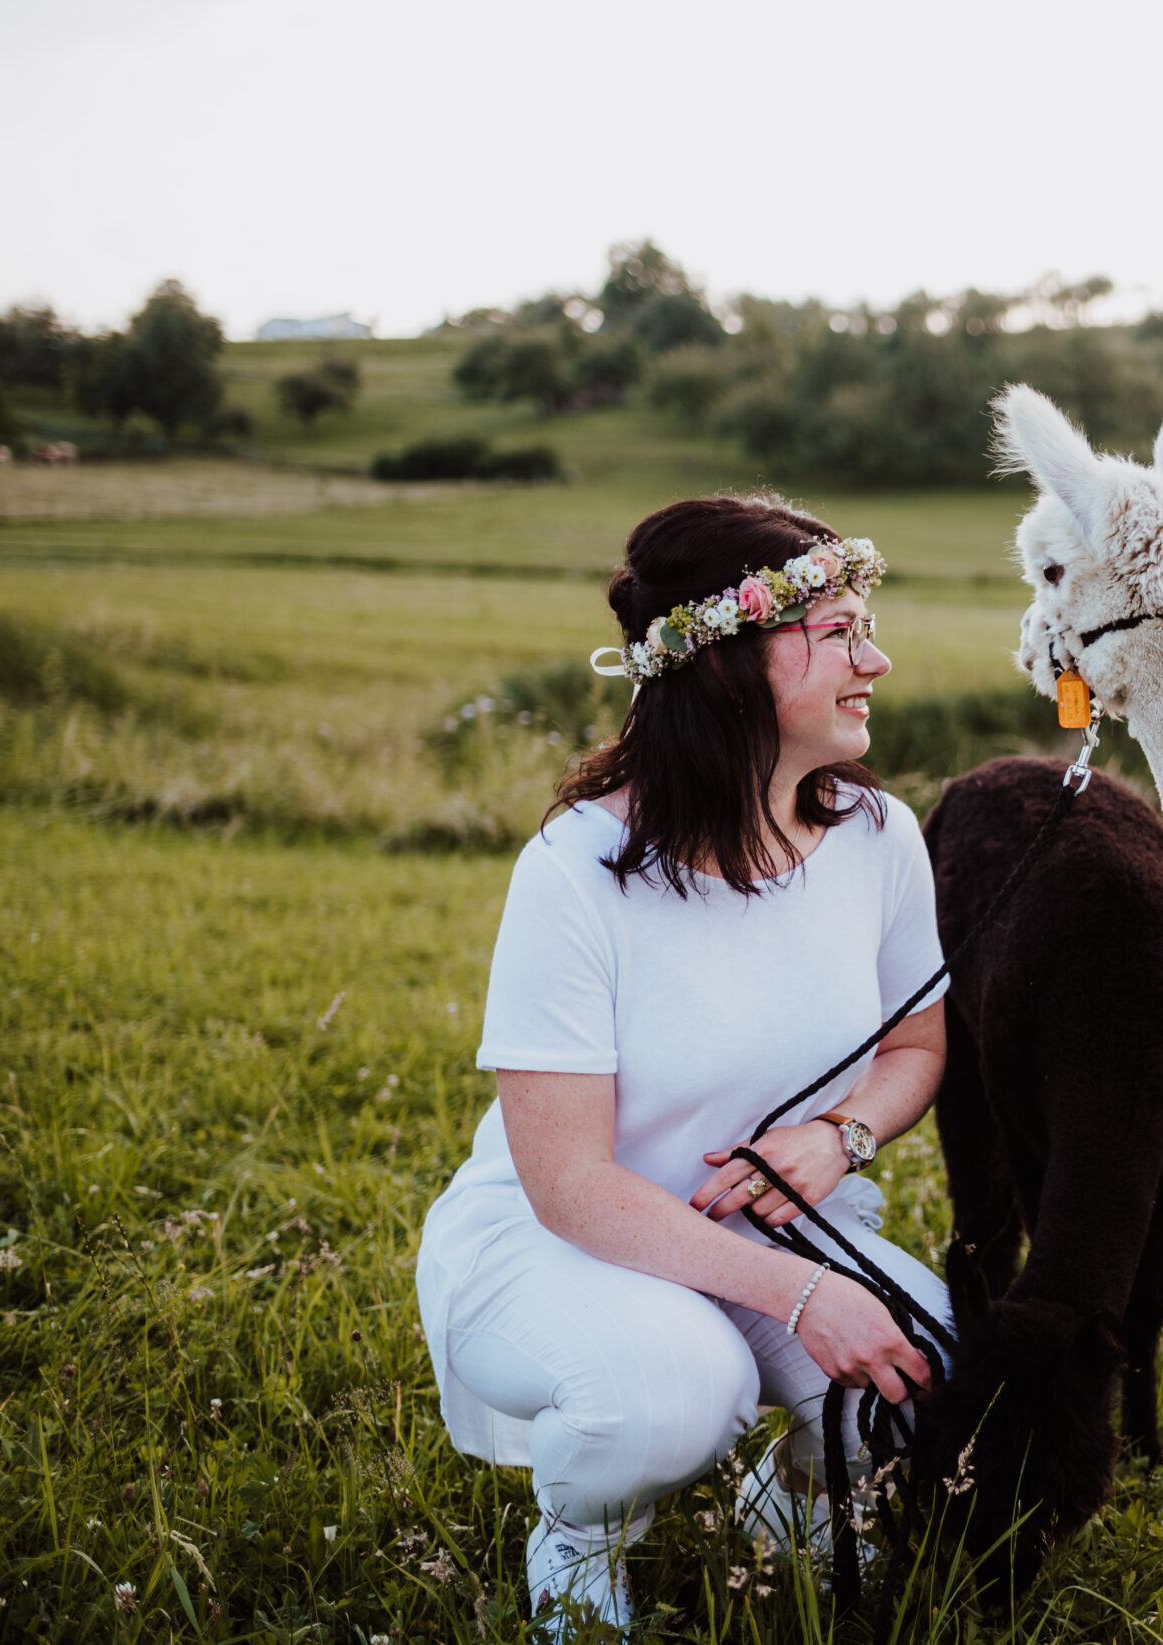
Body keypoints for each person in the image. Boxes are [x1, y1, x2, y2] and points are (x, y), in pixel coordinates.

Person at [413, 493, 951, 1634]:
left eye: (869, 625)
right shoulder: (577, 868)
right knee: (675, 1392)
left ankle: (784, 1520)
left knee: (932, 1370)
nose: (878, 657)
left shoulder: (879, 838)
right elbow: (569, 1182)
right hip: (563, 1239)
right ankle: (580, 1548)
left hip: (775, 1224)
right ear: (726, 659)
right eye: (841, 629)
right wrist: (809, 1292)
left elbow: (915, 1044)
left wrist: (838, 1135)